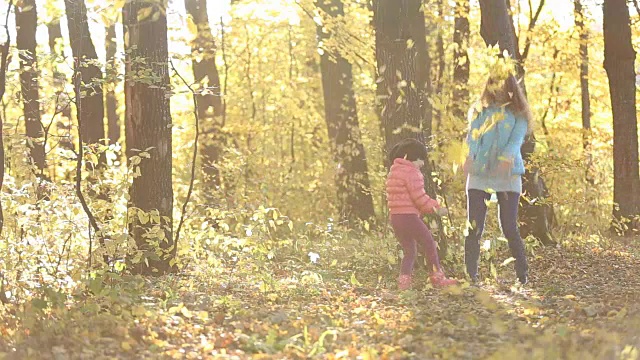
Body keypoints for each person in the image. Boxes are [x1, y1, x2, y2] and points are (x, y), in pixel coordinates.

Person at [463, 71, 533, 285]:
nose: (499, 89)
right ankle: (470, 274)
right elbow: (472, 137)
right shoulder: (480, 110)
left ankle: (522, 274)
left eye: (503, 84)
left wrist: (505, 159)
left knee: (509, 226)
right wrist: (468, 156)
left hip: (508, 175)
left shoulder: (519, 114)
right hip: (480, 174)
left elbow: (515, 141)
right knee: (474, 225)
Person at [386, 138, 457, 290]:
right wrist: (437, 208)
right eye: (420, 160)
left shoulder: (394, 170)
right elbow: (419, 198)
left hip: (396, 217)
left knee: (410, 250)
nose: (422, 164)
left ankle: (403, 282)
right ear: (410, 157)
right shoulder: (412, 173)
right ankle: (437, 277)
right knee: (429, 243)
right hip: (409, 217)